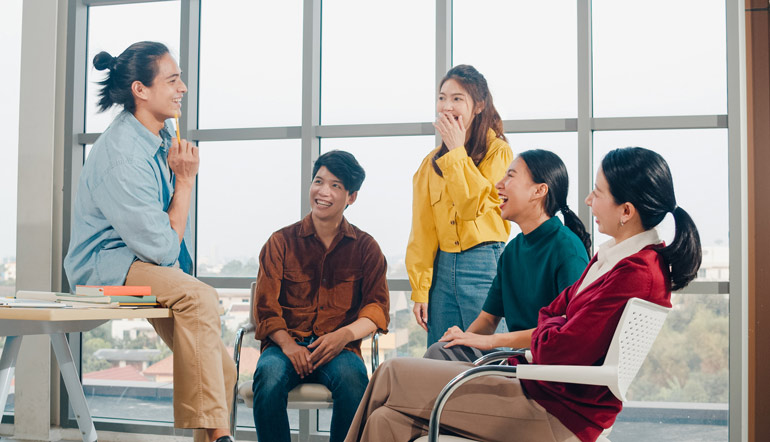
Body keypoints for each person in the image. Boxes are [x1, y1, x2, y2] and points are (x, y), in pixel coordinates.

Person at [344, 147, 702, 442]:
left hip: (553, 411)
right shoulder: (612, 260)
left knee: (390, 373)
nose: (589, 200)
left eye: (599, 192)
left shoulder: (635, 273)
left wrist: (552, 326)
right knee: (384, 422)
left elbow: (561, 346)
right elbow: (554, 313)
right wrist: (555, 324)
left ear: (626, 211)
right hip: (537, 390)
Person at [63, 42, 236, 442]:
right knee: (199, 297)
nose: (183, 88)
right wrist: (186, 181)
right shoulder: (123, 154)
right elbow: (160, 247)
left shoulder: (161, 134)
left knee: (223, 372)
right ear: (140, 90)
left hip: (144, 263)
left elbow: (163, 244)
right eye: (173, 80)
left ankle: (213, 438)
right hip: (104, 271)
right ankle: (222, 438)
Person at [252, 150, 390, 442]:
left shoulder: (366, 248)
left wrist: (343, 336)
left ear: (351, 197)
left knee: (355, 381)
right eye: (318, 181)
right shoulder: (280, 242)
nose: (323, 191)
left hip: (339, 349)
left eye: (335, 186)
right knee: (268, 377)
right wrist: (289, 346)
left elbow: (377, 308)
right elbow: (265, 308)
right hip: (284, 347)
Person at [424, 149, 591, 362]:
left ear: (539, 191)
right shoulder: (512, 250)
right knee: (440, 352)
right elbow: (488, 319)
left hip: (543, 369)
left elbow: (567, 329)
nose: (498, 184)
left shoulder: (567, 249)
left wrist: (491, 342)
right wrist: (463, 338)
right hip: (515, 361)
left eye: (510, 176)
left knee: (419, 367)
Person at [407, 64, 513, 346]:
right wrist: (420, 290)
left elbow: (471, 207)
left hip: (484, 262)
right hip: (442, 267)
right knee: (441, 357)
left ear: (478, 105)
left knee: (492, 357)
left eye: (457, 98)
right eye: (442, 97)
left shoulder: (498, 152)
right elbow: (422, 231)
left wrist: (456, 151)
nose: (446, 106)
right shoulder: (429, 164)